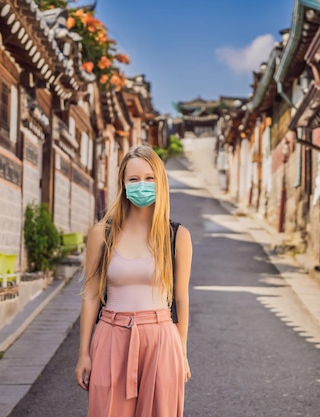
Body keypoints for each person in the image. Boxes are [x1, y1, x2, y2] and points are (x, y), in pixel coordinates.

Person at [75, 145, 193, 417]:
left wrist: (182, 353)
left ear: (161, 182)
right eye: (134, 179)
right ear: (123, 184)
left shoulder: (177, 236)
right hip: (111, 335)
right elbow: (91, 294)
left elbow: (182, 298)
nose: (142, 185)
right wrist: (84, 353)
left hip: (161, 339)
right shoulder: (102, 233)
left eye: (150, 178)